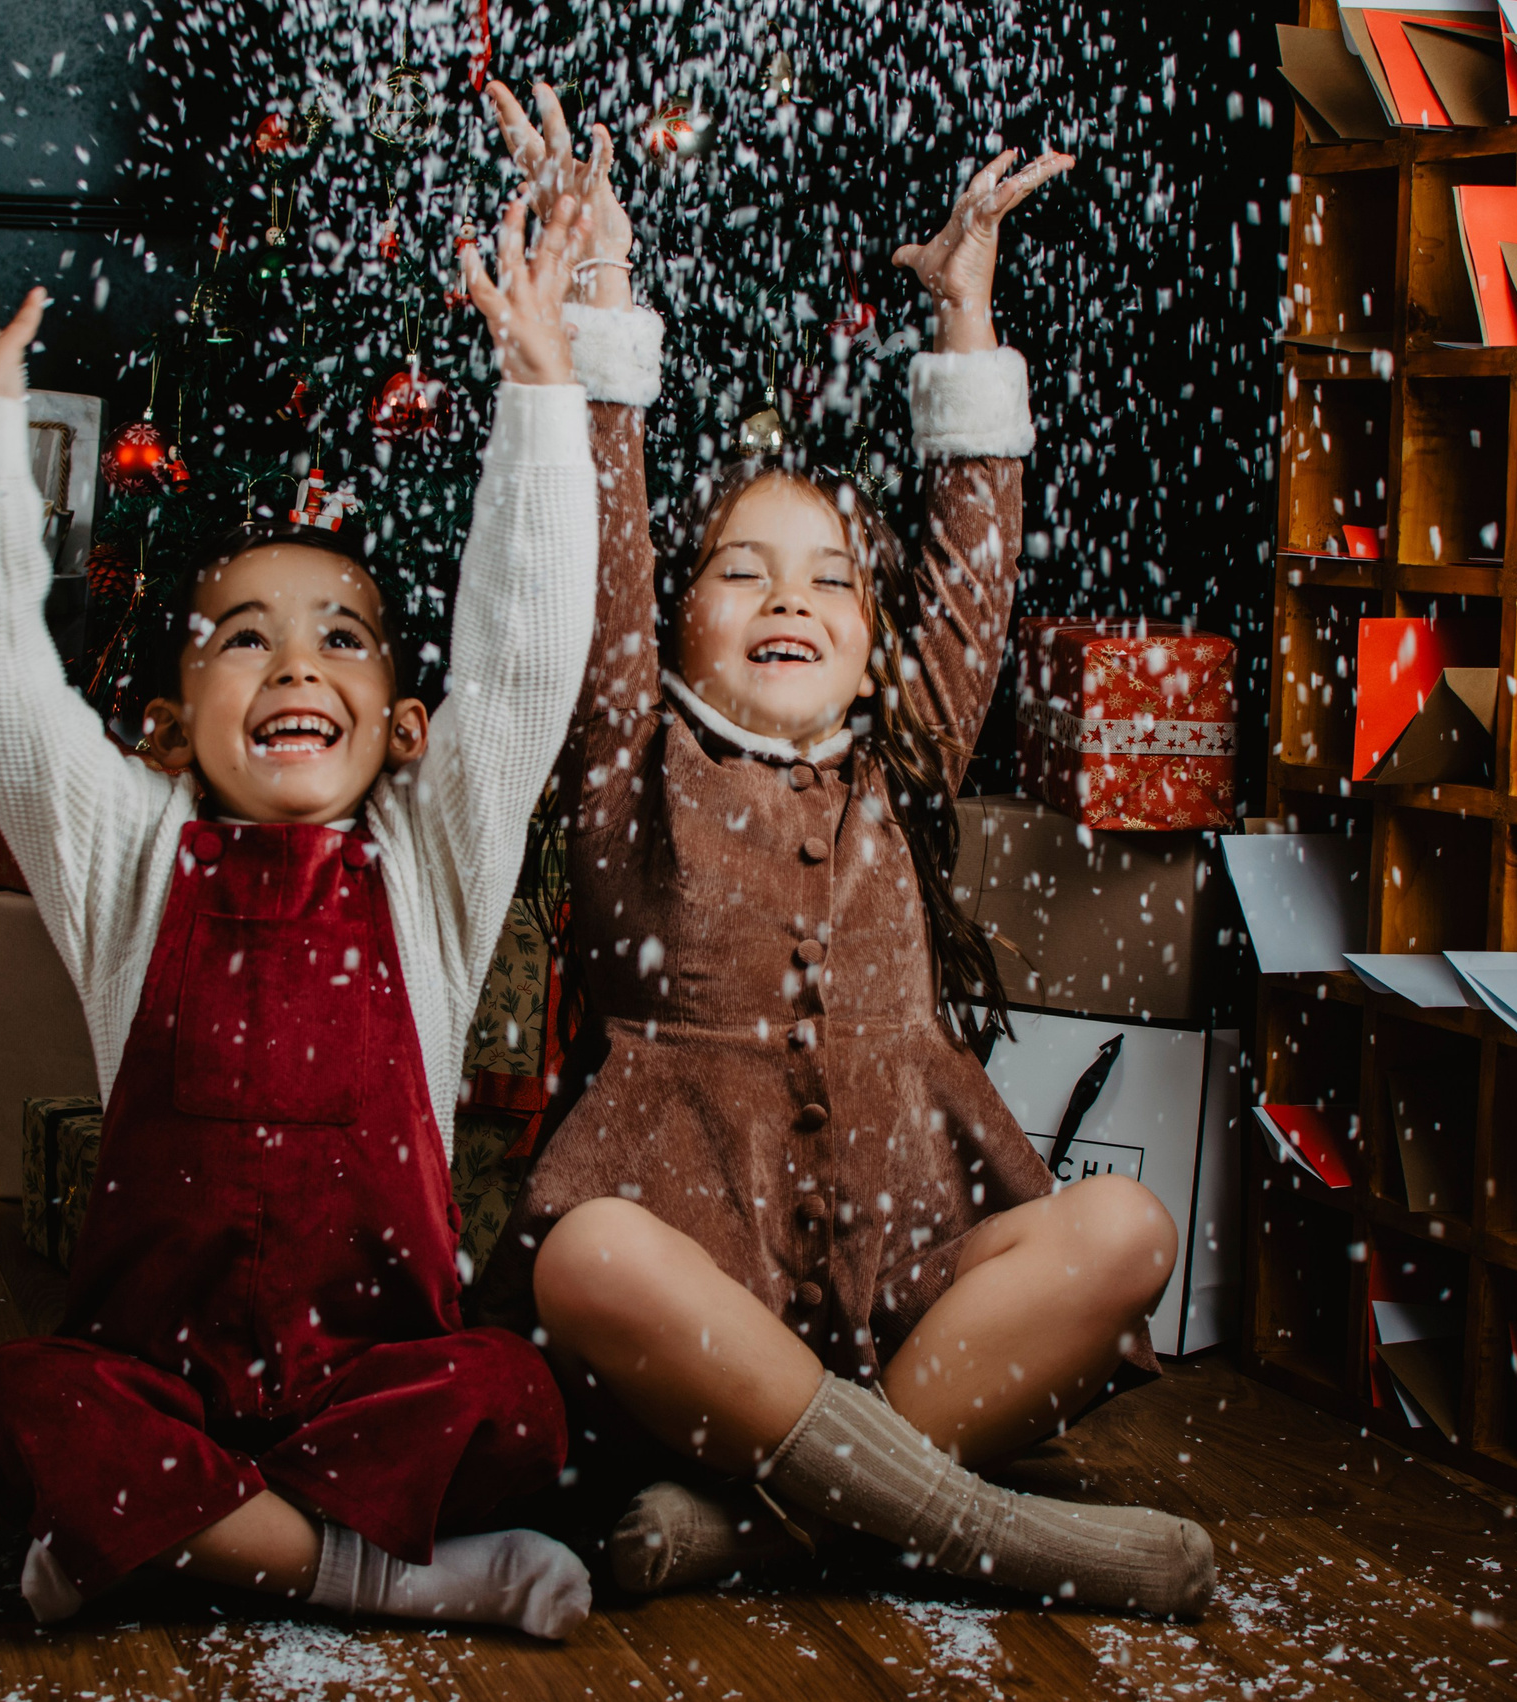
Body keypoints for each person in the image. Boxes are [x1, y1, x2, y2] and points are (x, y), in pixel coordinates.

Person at [482, 82, 1216, 1619]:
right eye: (740, 572)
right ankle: (978, 1526)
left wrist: (963, 321)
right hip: (693, 1315)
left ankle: (766, 1527)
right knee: (586, 1254)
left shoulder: (904, 754)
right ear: (679, 620)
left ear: (877, 638)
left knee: (1130, 1229)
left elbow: (969, 574)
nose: (789, 598)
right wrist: (607, 312)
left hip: (904, 1289)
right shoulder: (631, 755)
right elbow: (601, 563)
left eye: (829, 579)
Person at [0, 188, 601, 1636]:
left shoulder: (429, 864)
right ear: (163, 720)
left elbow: (524, 662)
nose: (293, 665)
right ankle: (376, 1575)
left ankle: (176, 1537)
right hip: (162, 1382)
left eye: (340, 638)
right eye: (240, 639)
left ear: (398, 725)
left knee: (518, 1400)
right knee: (12, 1404)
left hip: (366, 1385)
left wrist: (541, 391)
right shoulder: (126, 853)